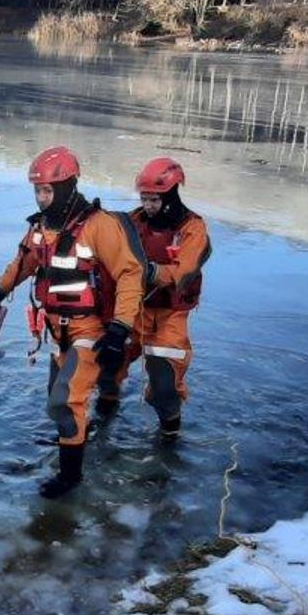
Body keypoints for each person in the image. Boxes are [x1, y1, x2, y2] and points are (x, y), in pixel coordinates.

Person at [0, 146, 146, 498]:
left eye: (47, 190)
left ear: (67, 186)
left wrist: (119, 329)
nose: (40, 198)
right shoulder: (40, 228)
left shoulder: (99, 226)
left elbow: (131, 274)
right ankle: (77, 435)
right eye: (37, 190)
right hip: (58, 331)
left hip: (90, 329)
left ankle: (70, 477)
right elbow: (23, 264)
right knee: (58, 400)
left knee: (64, 401)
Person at [105, 157, 211, 443]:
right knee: (108, 367)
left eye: (154, 200)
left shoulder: (193, 229)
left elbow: (183, 271)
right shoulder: (132, 221)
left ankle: (169, 439)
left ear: (171, 195)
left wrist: (148, 270)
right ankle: (104, 419)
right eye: (144, 199)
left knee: (165, 386)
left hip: (168, 318)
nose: (148, 205)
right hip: (132, 309)